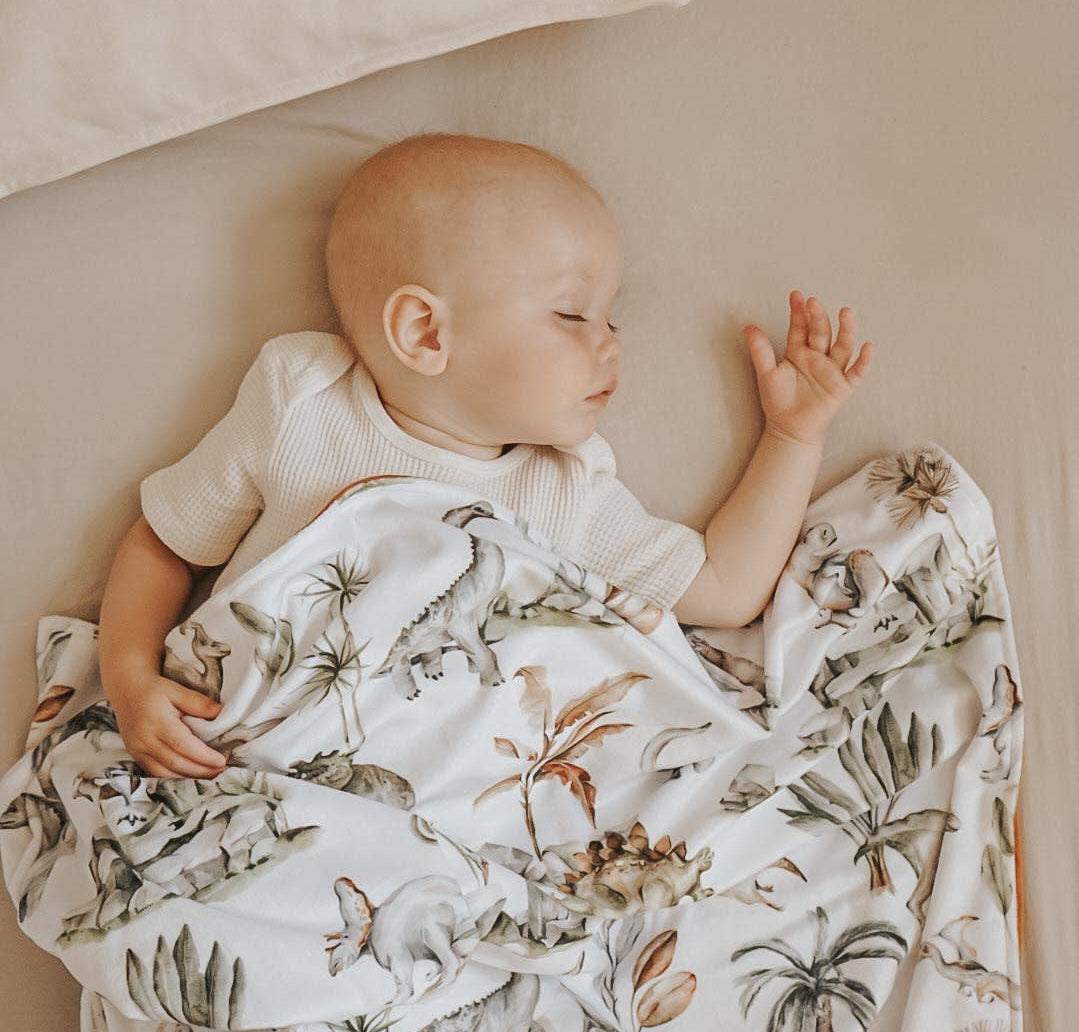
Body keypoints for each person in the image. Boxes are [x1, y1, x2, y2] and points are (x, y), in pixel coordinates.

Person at [97, 131, 873, 781]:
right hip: (236, 763)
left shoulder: (561, 487)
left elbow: (725, 588)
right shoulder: (303, 401)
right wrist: (130, 678)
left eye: (610, 318)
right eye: (571, 314)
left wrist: (792, 437)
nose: (609, 344)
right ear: (426, 332)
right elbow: (168, 543)